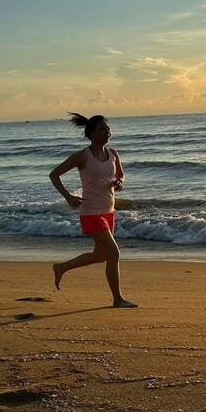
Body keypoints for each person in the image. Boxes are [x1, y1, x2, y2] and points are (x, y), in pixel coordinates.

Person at [49, 112, 137, 307]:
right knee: (113, 253)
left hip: (108, 210)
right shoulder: (82, 156)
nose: (107, 132)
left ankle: (62, 267)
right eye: (102, 129)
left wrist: (120, 182)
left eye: (108, 129)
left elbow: (121, 174)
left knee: (100, 256)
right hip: (90, 212)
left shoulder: (113, 154)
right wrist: (68, 196)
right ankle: (117, 299)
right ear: (91, 133)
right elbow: (54, 174)